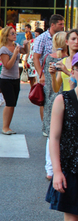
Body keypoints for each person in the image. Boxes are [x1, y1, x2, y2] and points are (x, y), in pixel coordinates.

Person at [45, 53, 78, 221]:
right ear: (73, 72)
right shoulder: (63, 100)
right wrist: (56, 171)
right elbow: (54, 138)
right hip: (70, 168)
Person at [33, 14, 66, 131]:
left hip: (59, 72)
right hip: (45, 72)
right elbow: (36, 57)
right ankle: (46, 126)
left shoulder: (62, 36)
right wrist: (40, 75)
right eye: (60, 24)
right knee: (46, 99)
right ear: (53, 25)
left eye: (63, 24)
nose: (63, 26)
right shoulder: (42, 38)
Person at [43, 32, 68, 179]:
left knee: (53, 132)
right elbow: (55, 84)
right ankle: (51, 168)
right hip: (57, 97)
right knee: (54, 133)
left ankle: (51, 168)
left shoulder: (51, 57)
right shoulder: (61, 60)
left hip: (53, 96)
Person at [0, 27, 27, 134]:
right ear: (7, 36)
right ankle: (5, 127)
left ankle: (8, 126)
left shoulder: (16, 46)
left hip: (16, 78)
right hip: (6, 79)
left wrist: (26, 45)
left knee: (13, 104)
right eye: (12, 34)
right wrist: (15, 54)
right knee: (9, 103)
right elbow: (8, 65)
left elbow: (25, 51)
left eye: (15, 33)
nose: (15, 35)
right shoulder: (4, 49)